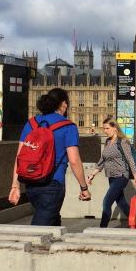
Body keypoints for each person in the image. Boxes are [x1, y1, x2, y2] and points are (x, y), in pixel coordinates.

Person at [10, 88, 90, 225]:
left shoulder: (32, 123)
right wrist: (84, 187)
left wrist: (15, 186)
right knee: (38, 232)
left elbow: (20, 157)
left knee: (52, 223)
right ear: (64, 104)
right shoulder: (68, 126)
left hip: (31, 183)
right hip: (53, 184)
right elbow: (74, 160)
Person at [88, 117, 136, 227]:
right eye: (104, 129)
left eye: (107, 128)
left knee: (107, 201)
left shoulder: (123, 142)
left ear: (115, 128)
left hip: (121, 176)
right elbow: (102, 160)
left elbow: (130, 160)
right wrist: (93, 174)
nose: (105, 131)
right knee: (121, 203)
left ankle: (102, 227)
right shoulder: (108, 142)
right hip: (111, 177)